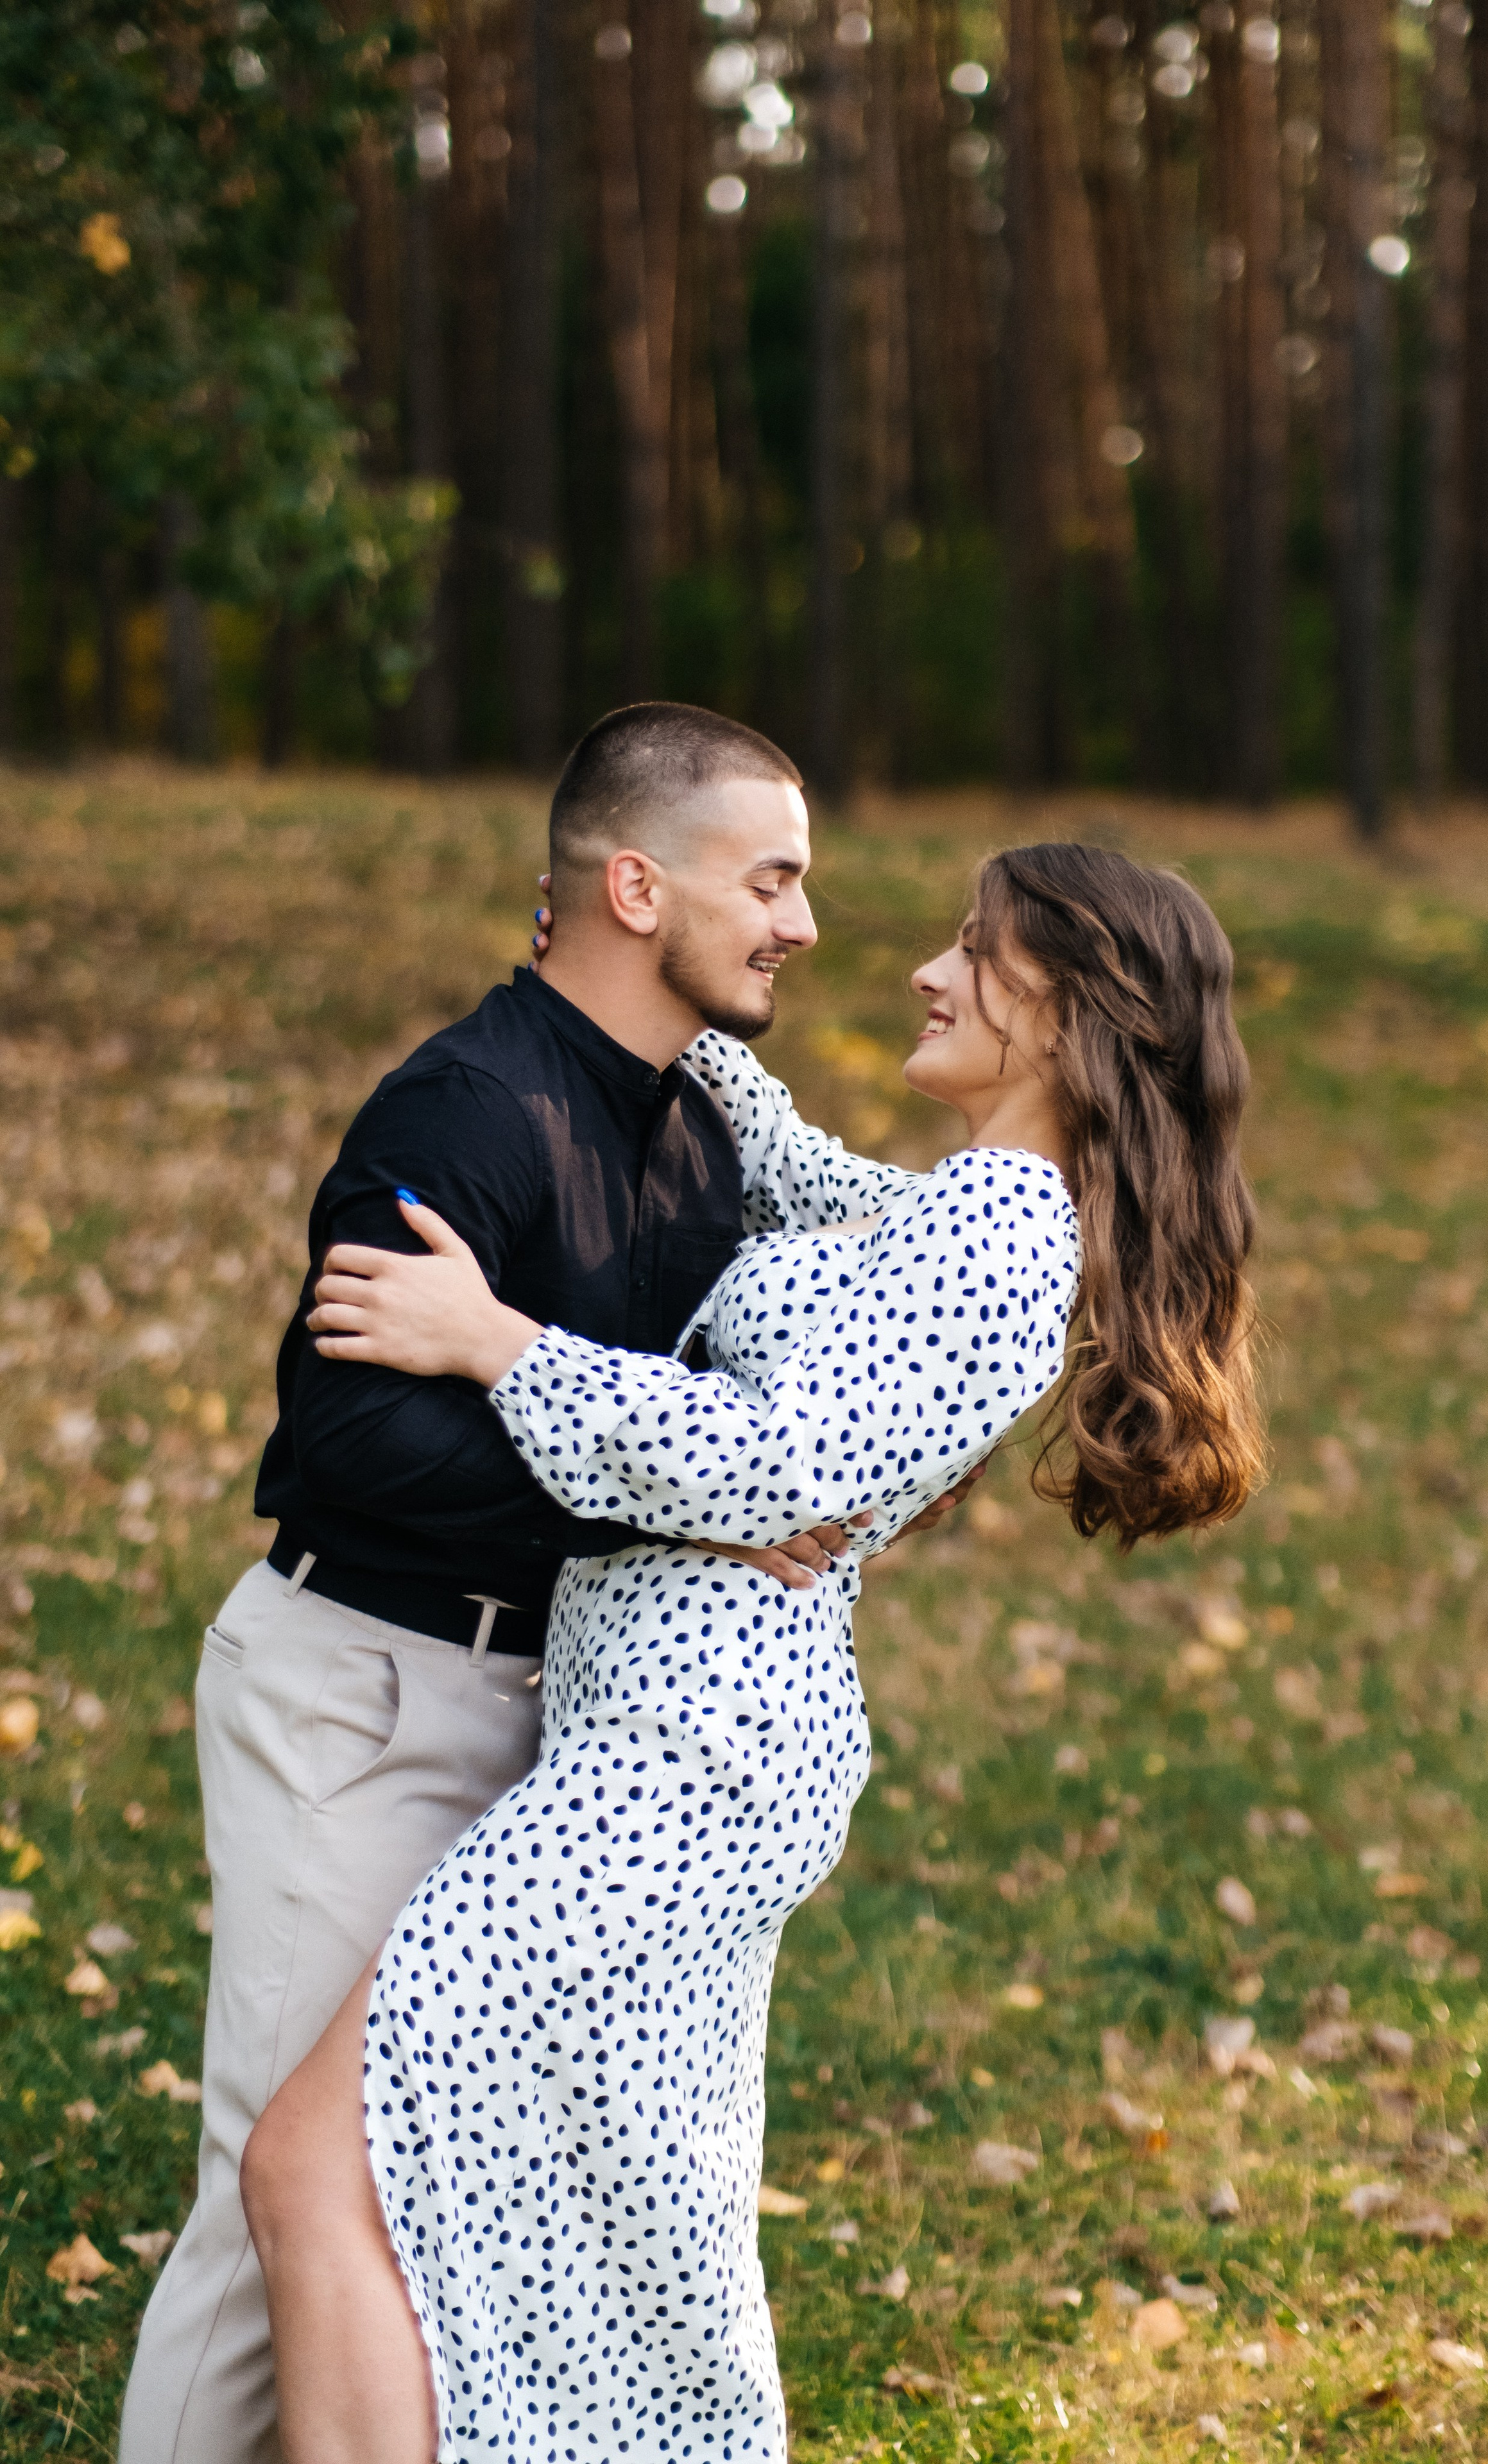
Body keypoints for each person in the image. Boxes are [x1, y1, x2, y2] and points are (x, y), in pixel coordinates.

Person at [239, 842, 1265, 2464]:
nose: (923, 971)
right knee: (585, 2226)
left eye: (973, 949)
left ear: (1069, 1015)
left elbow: (780, 1463)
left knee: (323, 2163)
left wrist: (493, 1341)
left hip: (687, 1763)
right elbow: (779, 1158)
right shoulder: (967, 1208)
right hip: (675, 1739)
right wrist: (613, 962)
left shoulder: (1003, 1228)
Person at [119, 702, 976, 2464]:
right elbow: (345, 1445)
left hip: (570, 1732)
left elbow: (838, 1384)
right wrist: (664, 1520)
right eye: (777, 878)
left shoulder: (714, 1132)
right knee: (273, 2190)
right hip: (366, 1696)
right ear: (638, 885)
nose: (808, 924)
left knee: (442, 2208)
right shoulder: (466, 1107)